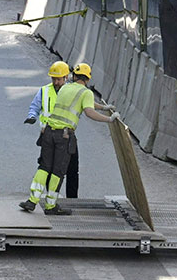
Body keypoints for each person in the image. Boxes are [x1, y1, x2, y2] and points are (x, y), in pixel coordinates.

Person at [18, 62, 119, 216]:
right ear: (87, 79)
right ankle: (51, 206)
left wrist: (103, 107)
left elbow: (86, 102)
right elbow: (88, 110)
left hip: (48, 132)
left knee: (44, 167)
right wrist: (109, 119)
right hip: (63, 136)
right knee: (58, 171)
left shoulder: (65, 88)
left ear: (73, 76)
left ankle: (32, 201)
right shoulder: (86, 92)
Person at [24, 61, 80, 198]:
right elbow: (35, 106)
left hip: (67, 135)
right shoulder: (45, 91)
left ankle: (71, 198)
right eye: (53, 78)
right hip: (48, 135)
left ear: (66, 77)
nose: (55, 82)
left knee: (72, 169)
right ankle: (51, 196)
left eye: (58, 79)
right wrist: (32, 116)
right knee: (49, 168)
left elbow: (86, 104)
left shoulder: (72, 91)